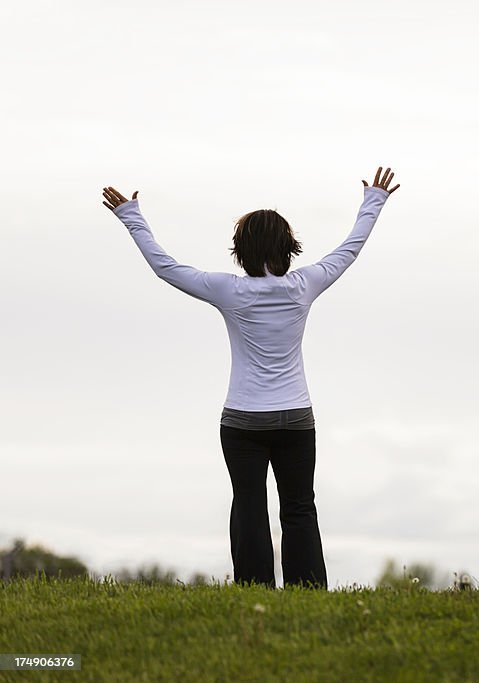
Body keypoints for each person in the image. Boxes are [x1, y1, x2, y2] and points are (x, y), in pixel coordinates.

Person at [101, 167, 400, 590]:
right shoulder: (305, 284)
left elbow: (165, 267)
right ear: (288, 247)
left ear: (240, 250)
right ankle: (309, 592)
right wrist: (374, 200)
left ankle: (255, 592)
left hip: (243, 421)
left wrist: (131, 215)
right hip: (296, 419)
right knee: (299, 509)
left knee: (249, 507)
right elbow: (349, 249)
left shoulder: (228, 290)